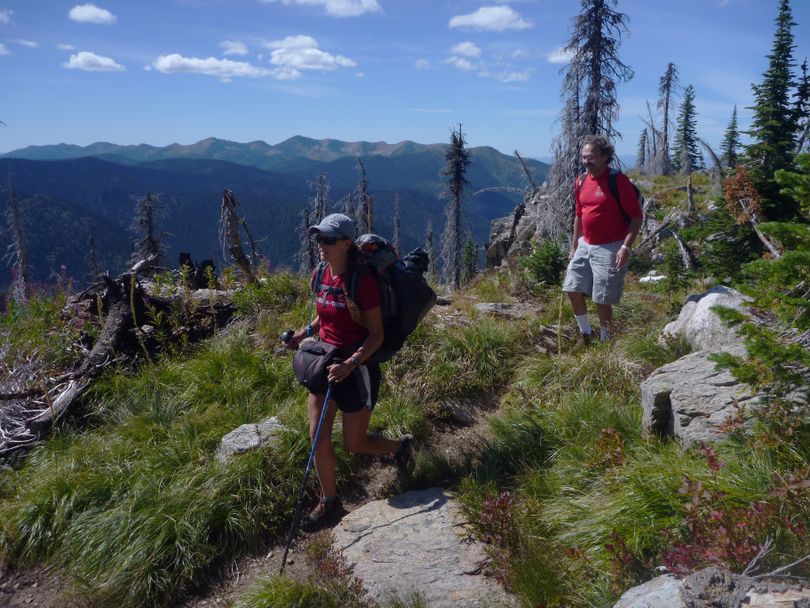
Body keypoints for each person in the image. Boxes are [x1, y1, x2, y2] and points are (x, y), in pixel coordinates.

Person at [283, 213, 413, 527]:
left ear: (346, 242)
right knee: (318, 437)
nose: (321, 245)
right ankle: (330, 502)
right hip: (324, 363)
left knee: (355, 443)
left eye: (328, 239)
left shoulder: (361, 281)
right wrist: (304, 334)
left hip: (357, 369)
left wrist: (351, 363)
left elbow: (376, 334)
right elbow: (324, 316)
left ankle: (400, 447)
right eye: (319, 239)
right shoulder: (320, 274)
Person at [562, 135, 643, 343]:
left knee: (602, 297)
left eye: (591, 157)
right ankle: (586, 333)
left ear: (605, 156)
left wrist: (625, 247)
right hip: (585, 244)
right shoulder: (581, 181)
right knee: (572, 288)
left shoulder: (618, 181)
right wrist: (574, 247)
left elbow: (636, 217)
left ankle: (606, 340)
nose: (586, 161)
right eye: (584, 157)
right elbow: (579, 215)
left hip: (611, 246)